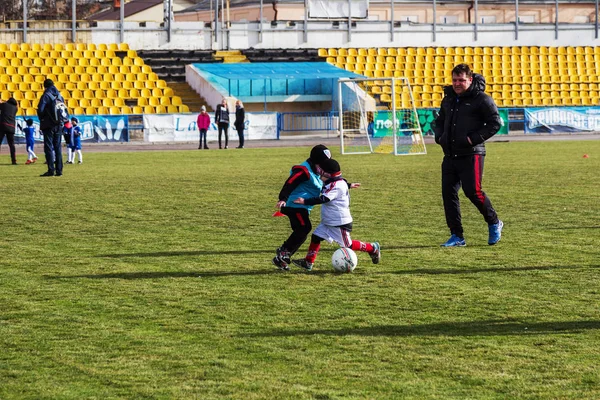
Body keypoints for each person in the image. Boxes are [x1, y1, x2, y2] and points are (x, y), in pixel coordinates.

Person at [433, 63, 503, 247]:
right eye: (455, 80)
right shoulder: (448, 99)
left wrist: (473, 139)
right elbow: (439, 121)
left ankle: (494, 222)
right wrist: (439, 136)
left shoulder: (482, 99)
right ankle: (457, 236)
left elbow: (495, 123)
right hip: (450, 155)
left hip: (472, 154)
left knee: (473, 192)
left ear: (470, 80)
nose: (457, 83)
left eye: (461, 80)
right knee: (448, 194)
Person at [291, 158, 380, 271]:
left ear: (328, 174)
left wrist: (305, 201)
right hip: (329, 221)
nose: (319, 173)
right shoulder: (335, 182)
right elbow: (339, 185)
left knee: (348, 245)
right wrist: (349, 185)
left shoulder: (336, 185)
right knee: (316, 237)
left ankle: (372, 248)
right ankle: (308, 262)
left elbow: (324, 198)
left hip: (339, 222)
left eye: (322, 171)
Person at [273, 144, 331, 271]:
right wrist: (283, 198)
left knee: (302, 232)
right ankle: (283, 252)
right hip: (294, 205)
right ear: (316, 161)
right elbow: (290, 183)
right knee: (304, 227)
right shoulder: (303, 171)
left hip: (303, 207)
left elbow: (330, 183)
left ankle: (282, 257)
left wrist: (346, 185)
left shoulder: (317, 171)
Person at [37, 78, 65, 177]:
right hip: (59, 124)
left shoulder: (46, 95)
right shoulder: (59, 95)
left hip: (49, 125)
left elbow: (40, 110)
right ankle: (59, 170)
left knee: (48, 147)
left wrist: (43, 119)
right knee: (58, 148)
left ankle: (50, 170)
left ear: (44, 86)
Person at [0, 97, 19, 165]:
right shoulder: (15, 108)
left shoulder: (5, 105)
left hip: (3, 126)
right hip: (11, 127)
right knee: (11, 145)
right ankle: (13, 160)